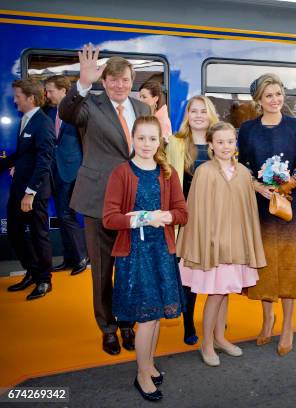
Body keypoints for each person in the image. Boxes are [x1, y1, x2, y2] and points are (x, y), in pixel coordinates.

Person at [59, 44, 152, 355]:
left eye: (124, 79)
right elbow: (67, 112)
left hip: (134, 201)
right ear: (103, 80)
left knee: (129, 266)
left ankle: (127, 322)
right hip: (98, 199)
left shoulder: (142, 109)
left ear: (132, 80)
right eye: (112, 79)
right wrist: (82, 83)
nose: (119, 85)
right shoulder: (90, 105)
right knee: (102, 268)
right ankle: (108, 327)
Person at [238, 73, 296, 356]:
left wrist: (288, 183)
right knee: (264, 269)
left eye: (278, 94)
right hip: (261, 208)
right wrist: (258, 186)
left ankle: (287, 326)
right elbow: (244, 169)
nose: (275, 100)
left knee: (289, 268)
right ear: (259, 100)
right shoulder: (248, 130)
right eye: (268, 96)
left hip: (291, 209)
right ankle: (267, 321)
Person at [103, 116, 187, 401]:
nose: (147, 144)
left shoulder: (168, 173)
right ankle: (141, 374)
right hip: (135, 255)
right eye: (141, 138)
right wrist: (141, 218)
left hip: (161, 251)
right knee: (147, 318)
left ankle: (149, 363)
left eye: (152, 138)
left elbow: (182, 212)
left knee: (159, 314)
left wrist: (168, 216)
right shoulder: (121, 173)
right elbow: (110, 218)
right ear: (133, 140)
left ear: (159, 141)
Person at [176, 121, 266, 366]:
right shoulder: (204, 172)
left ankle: (220, 338)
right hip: (214, 246)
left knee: (225, 292)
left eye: (229, 141)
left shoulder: (243, 173)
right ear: (211, 146)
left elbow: (247, 213)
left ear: (235, 144)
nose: (225, 146)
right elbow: (198, 213)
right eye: (220, 142)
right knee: (216, 295)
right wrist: (209, 241)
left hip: (235, 247)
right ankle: (206, 344)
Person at [166, 95, 219, 345]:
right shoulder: (176, 143)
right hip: (185, 221)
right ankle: (188, 325)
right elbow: (167, 179)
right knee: (187, 277)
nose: (198, 115)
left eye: (203, 111)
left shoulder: (217, 143)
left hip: (214, 219)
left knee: (215, 273)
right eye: (193, 111)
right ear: (187, 115)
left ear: (210, 115)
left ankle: (214, 319)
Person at [1, 79, 54, 300]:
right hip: (19, 189)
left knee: (39, 236)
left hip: (33, 193)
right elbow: (24, 155)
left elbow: (44, 161)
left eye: (18, 96)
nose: (15, 100)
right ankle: (32, 272)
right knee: (14, 233)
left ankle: (44, 281)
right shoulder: (26, 120)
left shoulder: (43, 123)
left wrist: (30, 193)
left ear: (31, 98)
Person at [43, 75, 89, 275]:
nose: (47, 94)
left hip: (73, 169)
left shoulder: (78, 110)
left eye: (51, 90)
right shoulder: (52, 111)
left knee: (66, 214)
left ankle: (81, 257)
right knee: (62, 215)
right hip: (56, 169)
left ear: (64, 90)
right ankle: (70, 258)